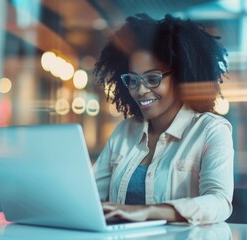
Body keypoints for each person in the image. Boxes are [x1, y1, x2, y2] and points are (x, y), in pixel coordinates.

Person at [93, 13, 234, 225]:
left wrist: (149, 212)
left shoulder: (211, 130)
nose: (140, 90)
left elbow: (220, 202)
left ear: (180, 77)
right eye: (133, 80)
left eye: (152, 78)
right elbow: (92, 193)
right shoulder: (125, 131)